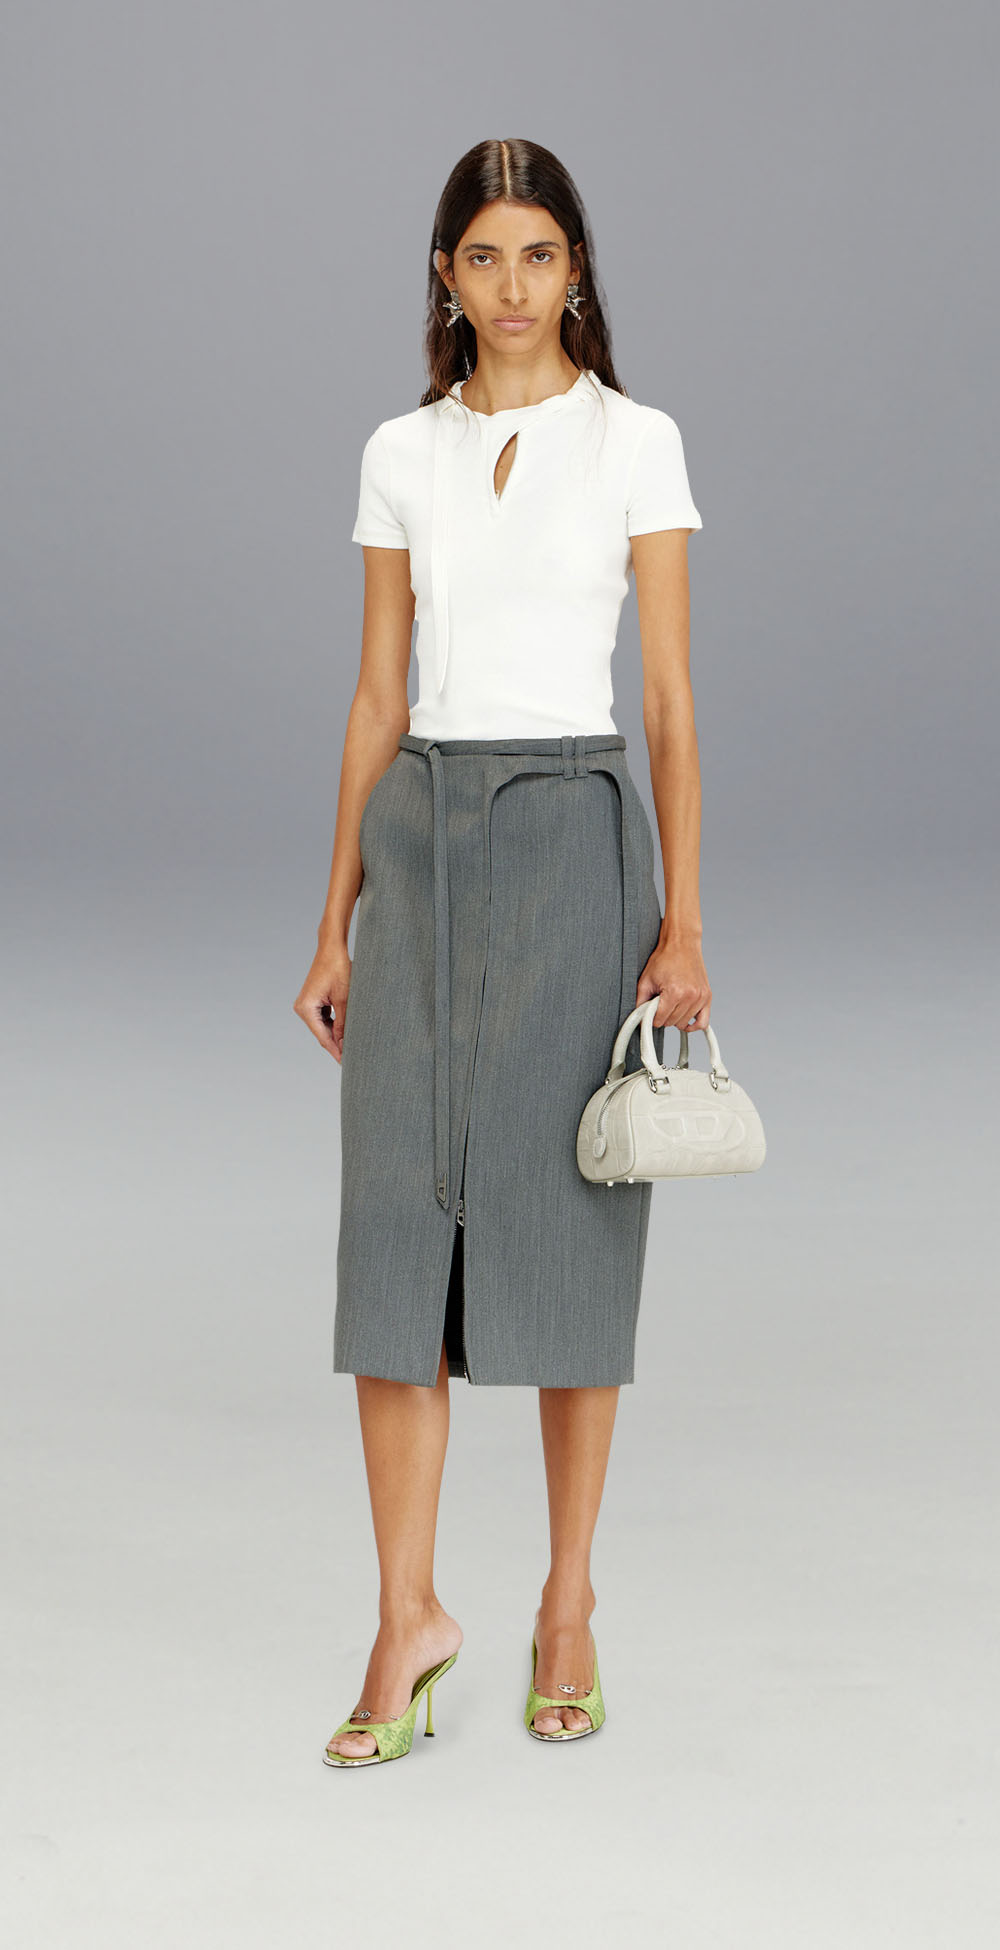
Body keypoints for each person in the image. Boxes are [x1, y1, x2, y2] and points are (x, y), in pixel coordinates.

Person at [294, 137, 712, 1766]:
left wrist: (685, 917)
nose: (515, 285)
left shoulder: (636, 442)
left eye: (541, 253)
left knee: (564, 1223)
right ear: (446, 276)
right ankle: (407, 1613)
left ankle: (568, 1600)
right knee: (396, 1228)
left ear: (576, 270)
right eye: (486, 255)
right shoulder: (400, 451)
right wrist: (332, 915)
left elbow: (667, 699)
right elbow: (375, 694)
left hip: (571, 834)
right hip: (422, 836)